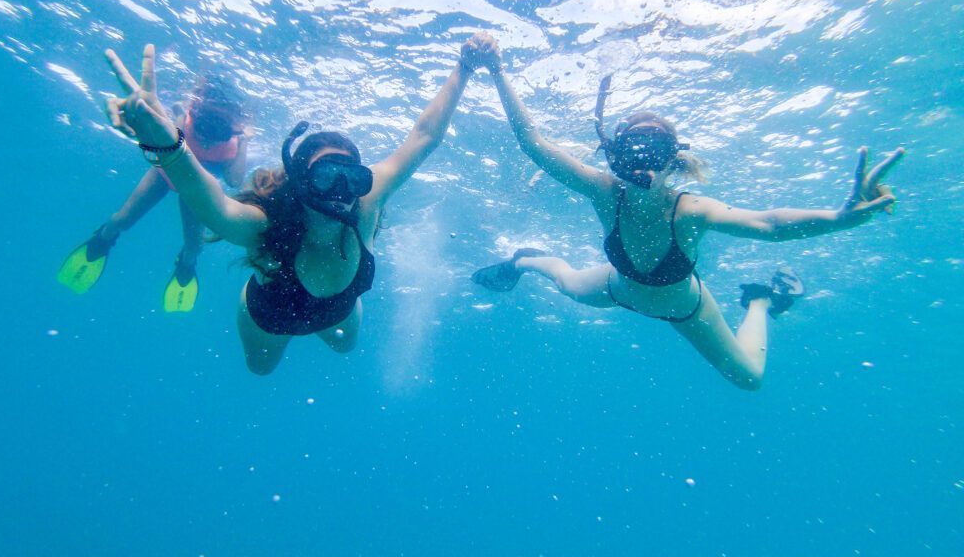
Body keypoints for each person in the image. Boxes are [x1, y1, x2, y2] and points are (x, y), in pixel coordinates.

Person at [470, 41, 905, 390]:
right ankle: (523, 259)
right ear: (614, 158)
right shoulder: (604, 191)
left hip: (685, 308)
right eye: (630, 152)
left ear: (674, 161)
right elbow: (534, 144)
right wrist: (497, 71)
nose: (643, 164)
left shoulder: (690, 210)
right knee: (565, 281)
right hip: (615, 286)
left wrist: (840, 217)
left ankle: (760, 300)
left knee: (749, 379)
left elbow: (769, 224)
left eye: (655, 152)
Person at [102, 35, 487, 374]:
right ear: (301, 184)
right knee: (260, 369)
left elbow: (423, 136)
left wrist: (463, 68)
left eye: (351, 178)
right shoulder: (265, 226)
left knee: (344, 346)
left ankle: (327, 316)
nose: (340, 192)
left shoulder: (367, 203)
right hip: (271, 316)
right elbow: (210, 203)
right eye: (324, 177)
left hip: (338, 309)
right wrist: (166, 143)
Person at [58, 74, 248, 312]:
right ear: (195, 113)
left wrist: (243, 144)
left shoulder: (234, 145)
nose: (208, 137)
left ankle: (186, 263)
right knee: (122, 219)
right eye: (204, 124)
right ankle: (104, 236)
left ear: (234, 130)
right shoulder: (183, 120)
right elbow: (159, 139)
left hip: (196, 190)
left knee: (194, 246)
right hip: (164, 174)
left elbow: (235, 180)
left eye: (219, 130)